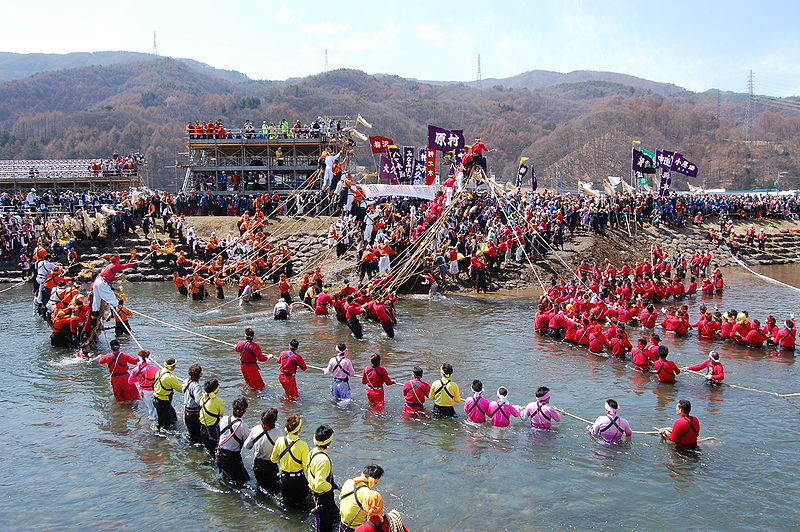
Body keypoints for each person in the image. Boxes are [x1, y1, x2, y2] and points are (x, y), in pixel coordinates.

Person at [270, 414, 310, 510]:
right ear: (299, 430)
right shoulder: (303, 445)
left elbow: (273, 459)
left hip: (284, 479)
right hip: (298, 479)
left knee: (287, 506)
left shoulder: (279, 441)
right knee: (303, 506)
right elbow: (306, 467)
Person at [308, 424, 339, 532]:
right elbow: (319, 484)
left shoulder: (312, 452)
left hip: (315, 494)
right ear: (329, 441)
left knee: (334, 517)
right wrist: (330, 486)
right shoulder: (323, 460)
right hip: (323, 497)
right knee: (324, 526)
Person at [244, 407, 281, 495]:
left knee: (260, 488)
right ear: (275, 420)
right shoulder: (278, 433)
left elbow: (247, 446)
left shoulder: (255, 429)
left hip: (257, 465)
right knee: (274, 491)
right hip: (270, 466)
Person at [339, 464, 384, 531]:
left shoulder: (348, 482)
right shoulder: (368, 494)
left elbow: (341, 498)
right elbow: (375, 517)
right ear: (374, 481)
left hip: (343, 525)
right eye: (376, 483)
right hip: (358, 528)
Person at [216, 397, 251, 484]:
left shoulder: (223, 419)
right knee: (244, 481)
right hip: (233, 458)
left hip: (220, 454)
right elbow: (248, 443)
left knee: (226, 477)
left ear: (232, 409)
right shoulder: (242, 426)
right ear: (245, 411)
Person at [152, 358, 183, 430]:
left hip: (156, 399)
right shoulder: (170, 377)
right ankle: (164, 436)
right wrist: (189, 385)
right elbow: (180, 389)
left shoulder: (160, 371)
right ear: (171, 367)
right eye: (174, 365)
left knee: (172, 416)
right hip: (163, 402)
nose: (175, 366)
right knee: (165, 424)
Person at [128, 349, 158, 422]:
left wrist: (139, 379)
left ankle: (152, 419)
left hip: (144, 391)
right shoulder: (154, 368)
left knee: (150, 406)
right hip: (155, 390)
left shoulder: (135, 369)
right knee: (156, 406)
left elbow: (130, 381)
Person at [199, 379, 224, 455]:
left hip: (203, 428)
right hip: (213, 430)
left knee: (208, 448)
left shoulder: (203, 398)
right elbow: (221, 413)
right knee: (216, 449)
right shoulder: (218, 400)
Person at [183, 363, 204, 444]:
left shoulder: (186, 381)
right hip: (194, 414)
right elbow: (199, 401)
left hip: (186, 412)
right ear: (199, 374)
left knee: (192, 434)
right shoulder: (196, 386)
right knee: (198, 437)